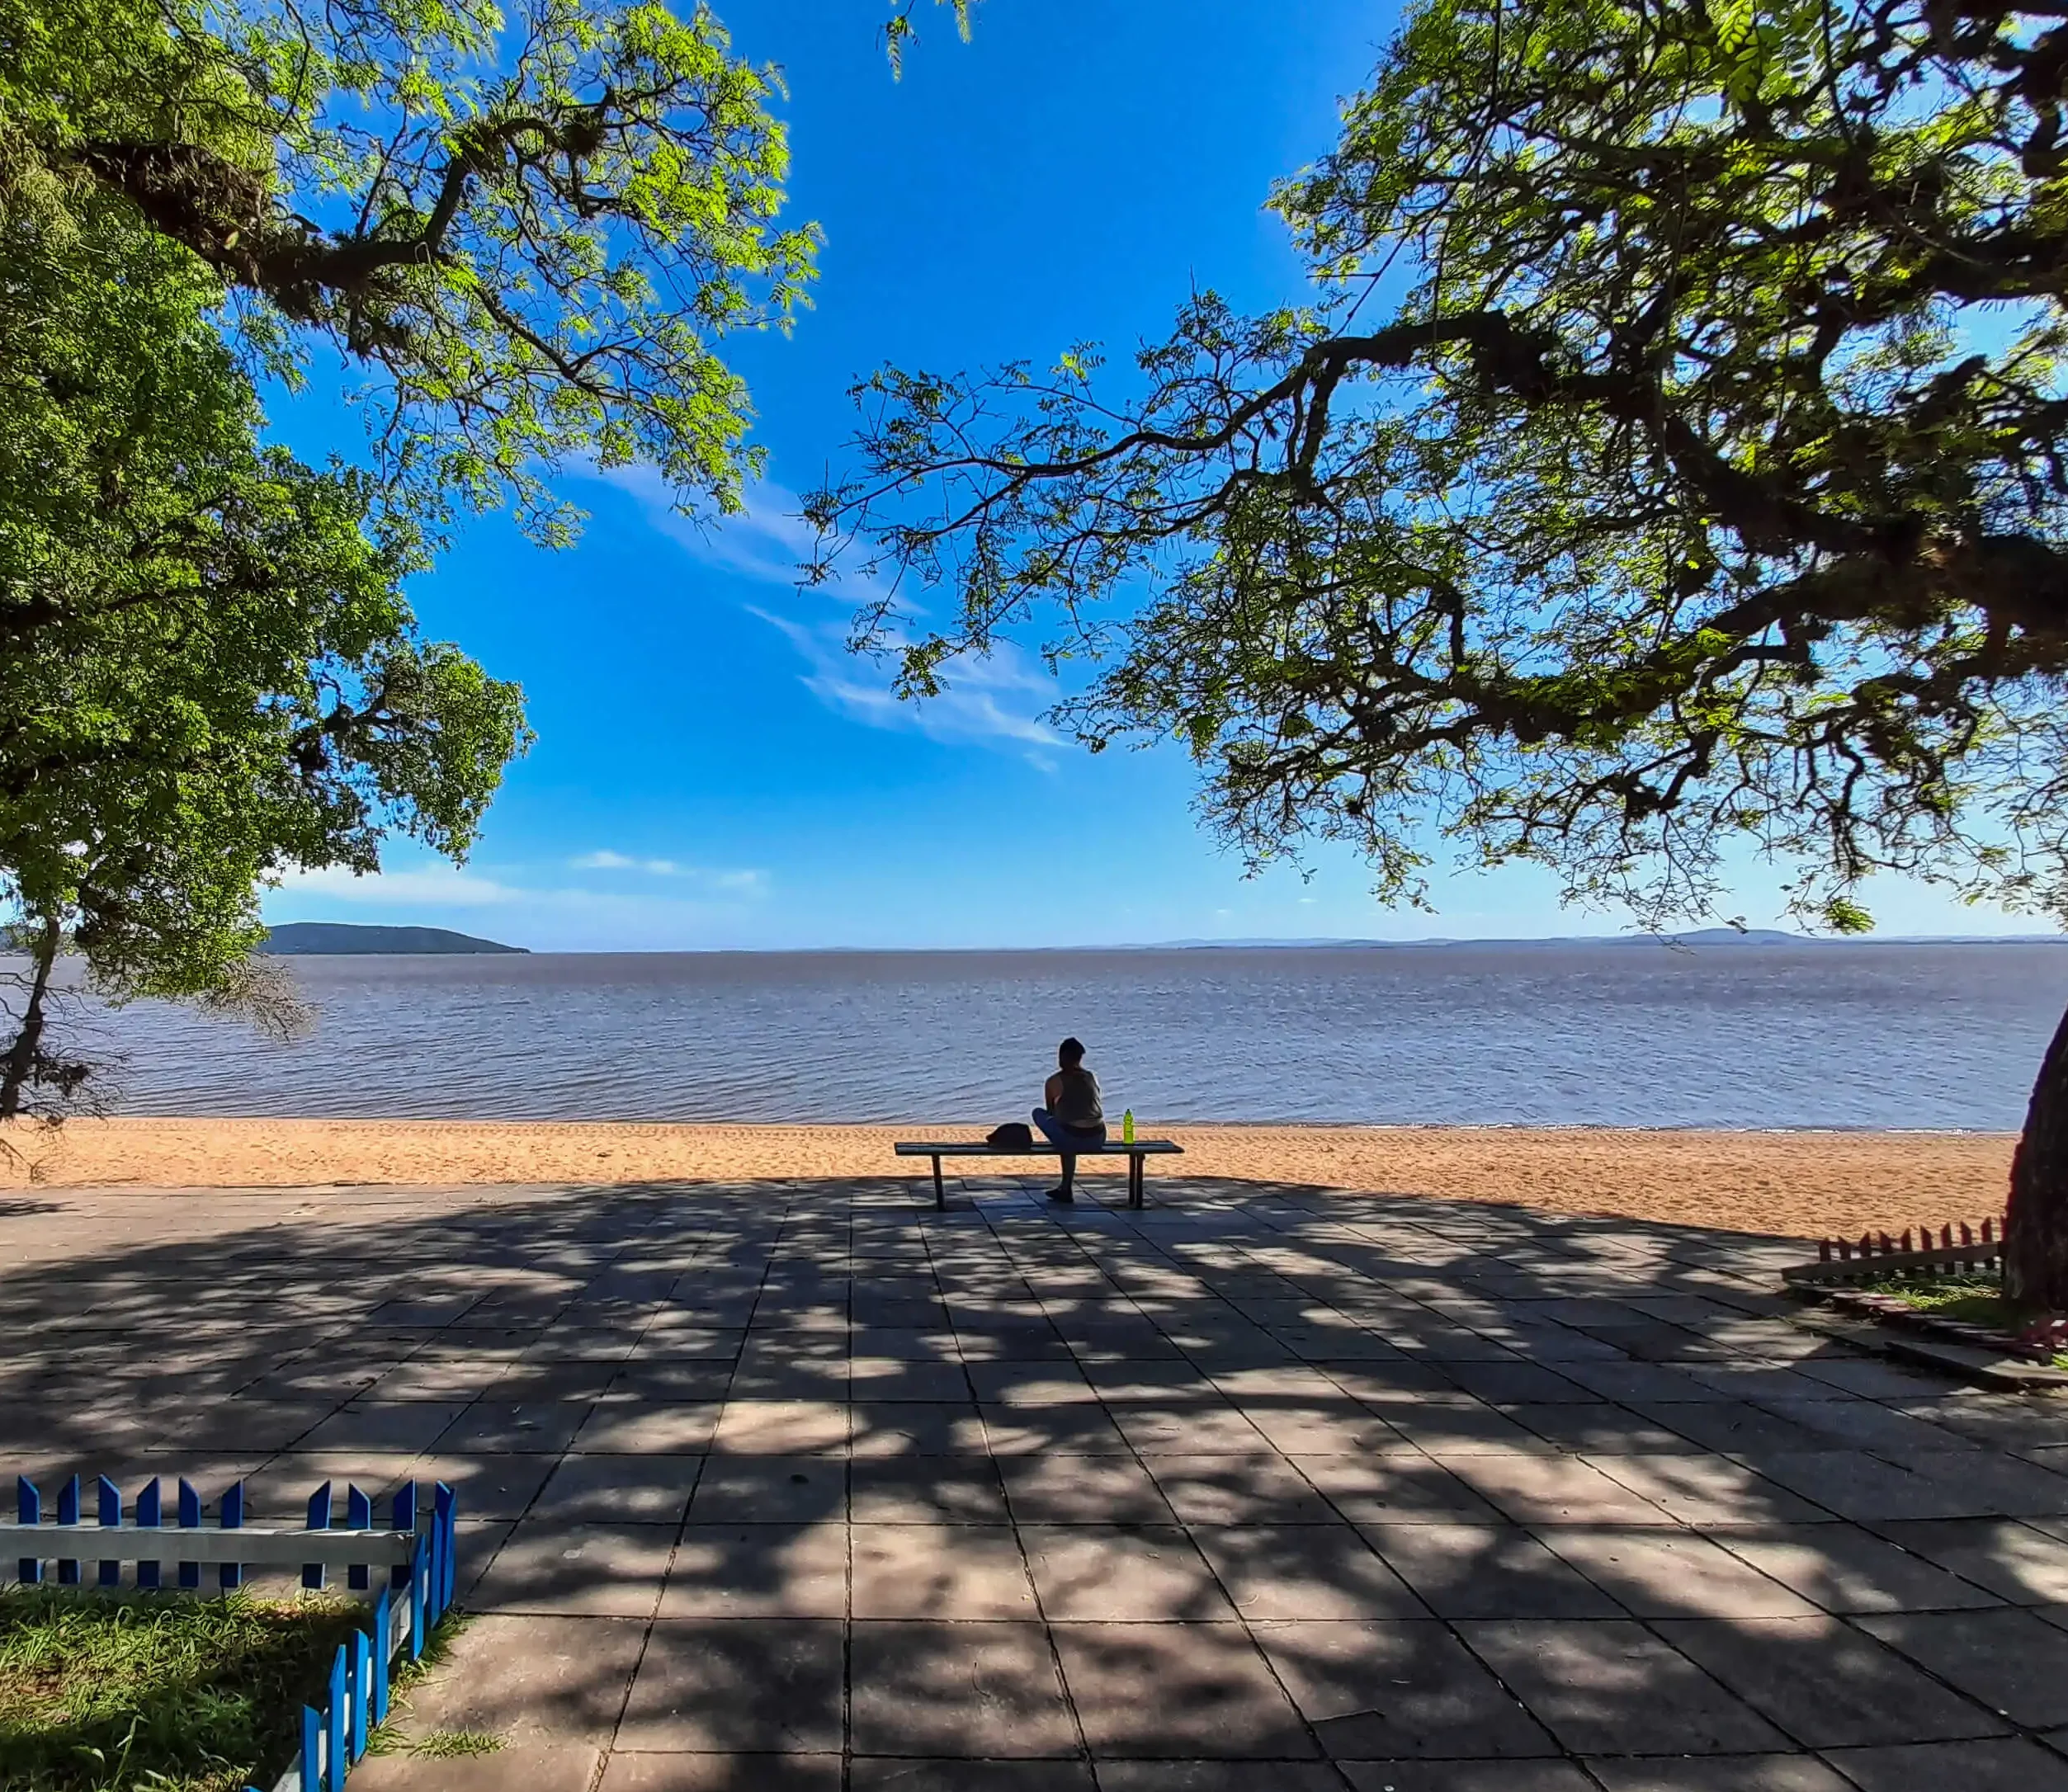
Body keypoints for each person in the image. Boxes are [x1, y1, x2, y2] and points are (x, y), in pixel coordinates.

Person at [1033, 1035, 1106, 1204]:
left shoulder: (1054, 1081)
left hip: (1072, 1138)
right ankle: (1065, 1187)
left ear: (1062, 1057)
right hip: (1098, 1137)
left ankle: (1066, 1188)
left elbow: (1051, 1112)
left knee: (1038, 1113)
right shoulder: (1091, 1077)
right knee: (1069, 1129)